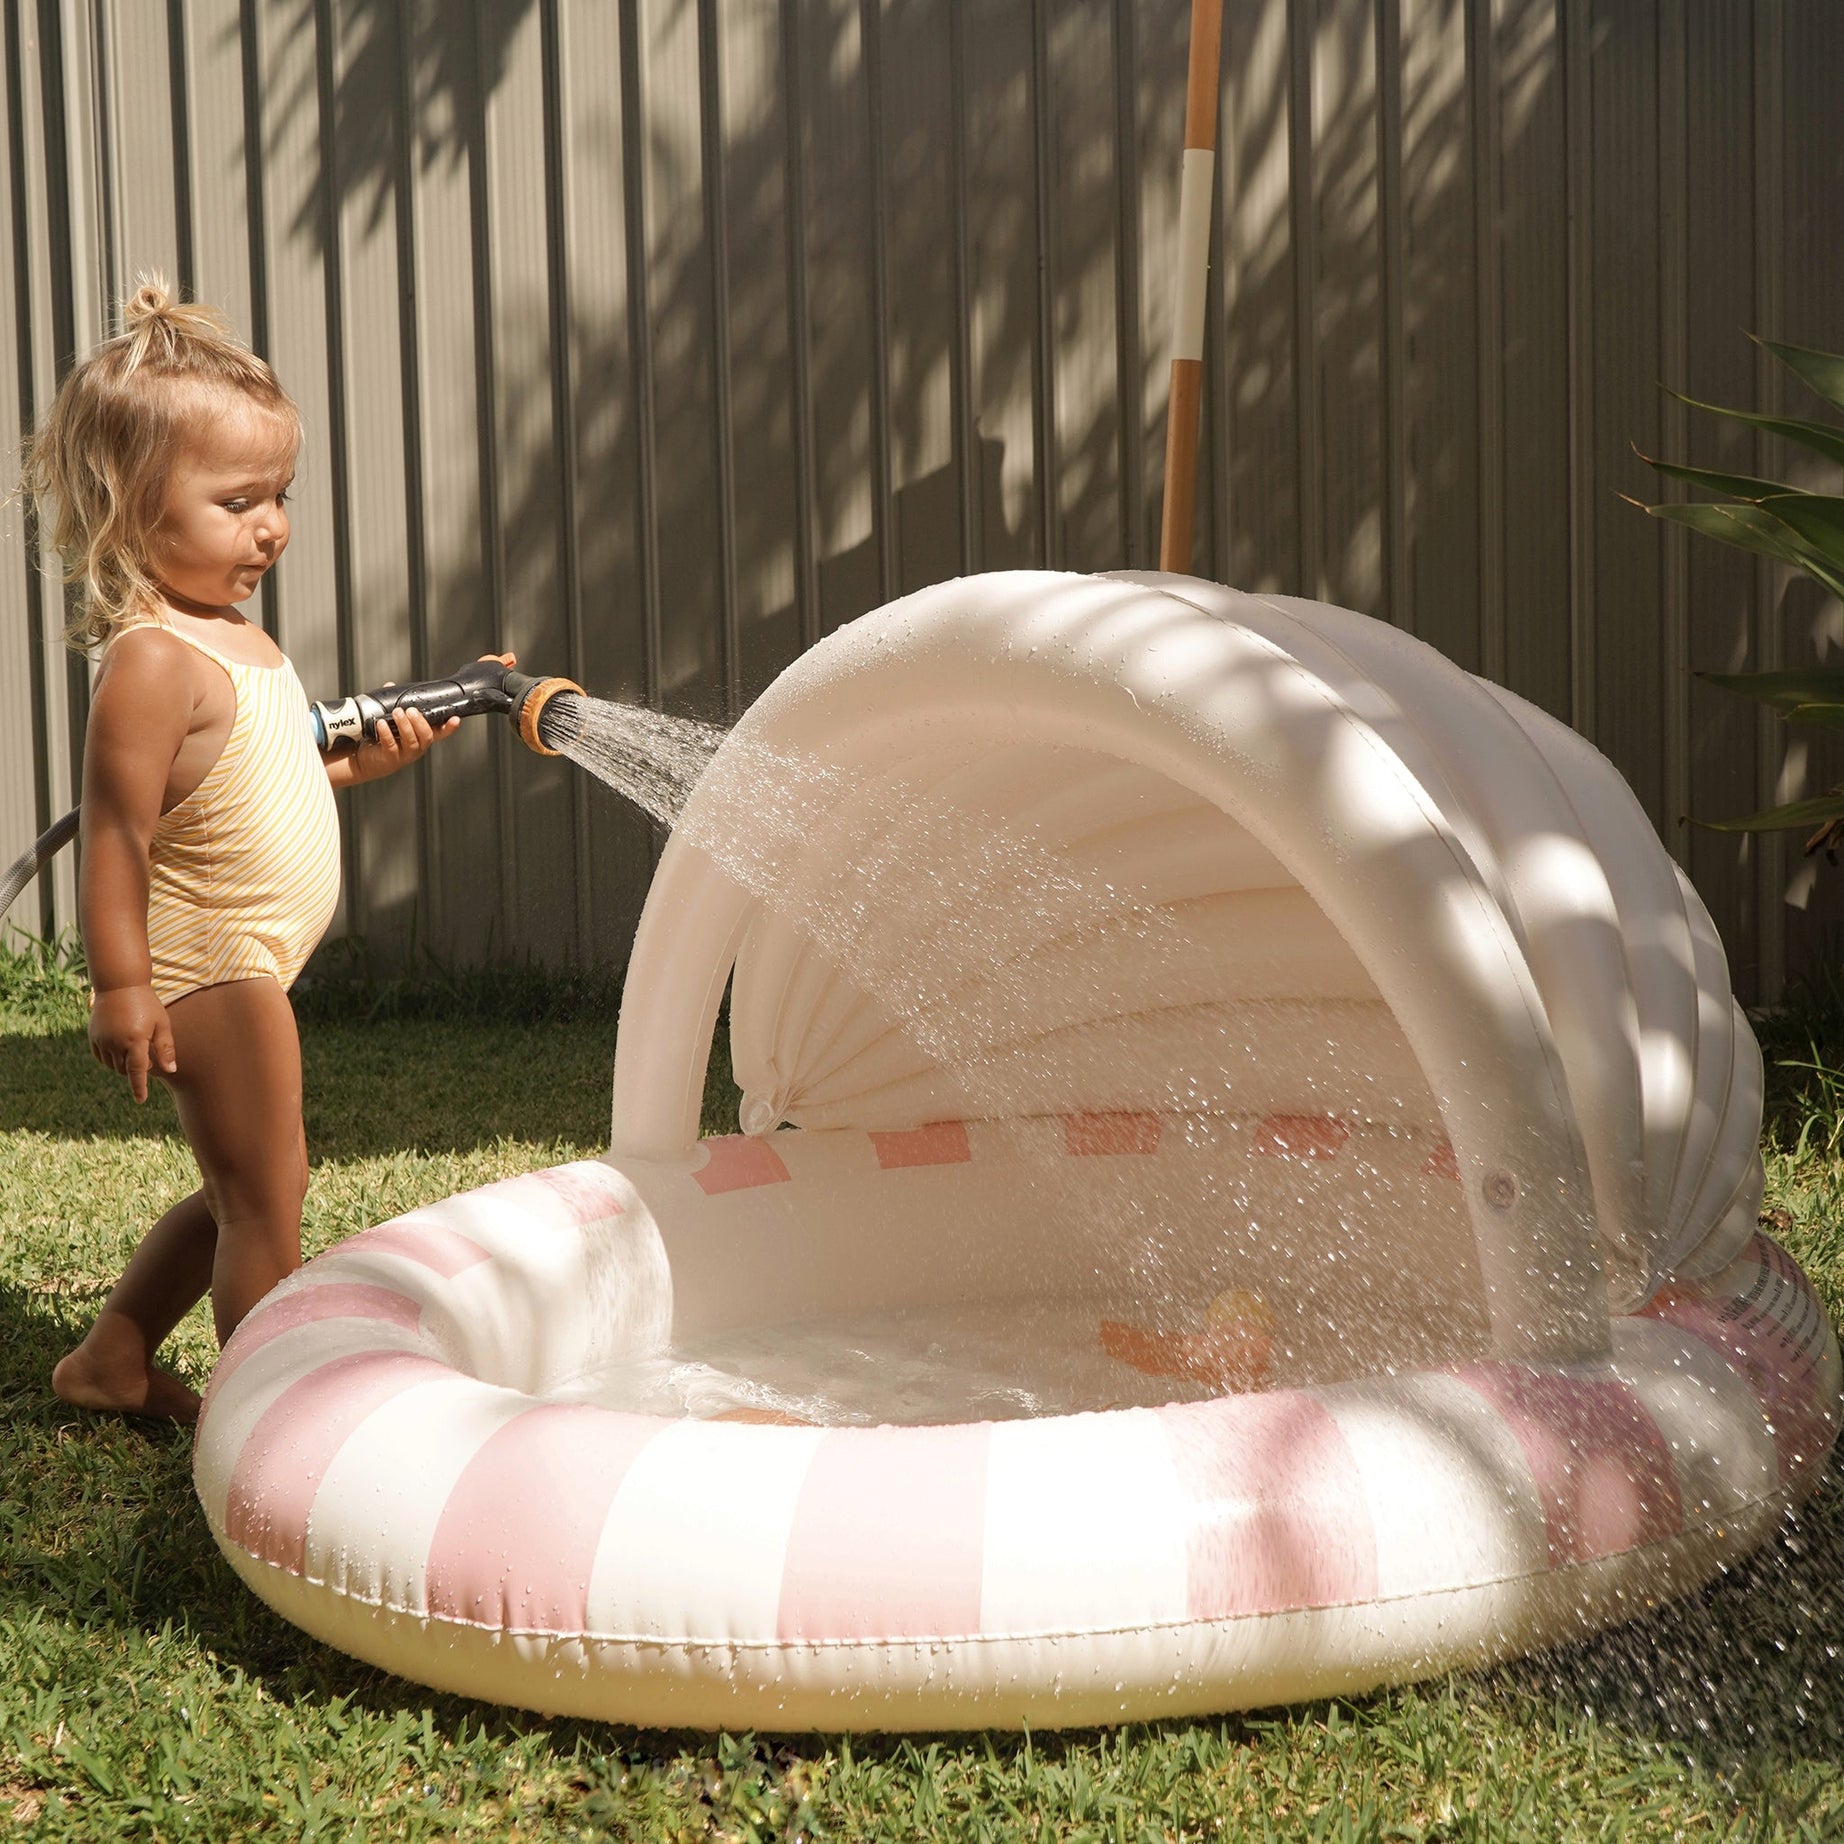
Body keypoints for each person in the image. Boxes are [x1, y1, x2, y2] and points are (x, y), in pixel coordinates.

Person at [20, 279, 496, 1421]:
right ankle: (270, 1419)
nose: (269, 526)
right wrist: (123, 985)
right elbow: (120, 835)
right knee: (263, 1207)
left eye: (279, 496)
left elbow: (252, 775)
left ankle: (112, 1360)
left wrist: (361, 766)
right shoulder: (151, 661)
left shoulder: (233, 635)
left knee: (251, 1183)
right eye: (237, 501)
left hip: (249, 954)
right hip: (209, 958)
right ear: (135, 513)